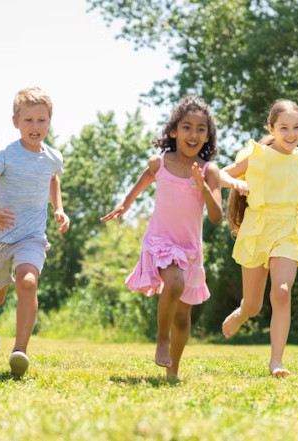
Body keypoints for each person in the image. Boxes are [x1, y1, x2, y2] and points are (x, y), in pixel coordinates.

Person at [102, 95, 222, 379]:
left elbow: (216, 216)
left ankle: (172, 372)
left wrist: (203, 186)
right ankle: (161, 339)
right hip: (161, 241)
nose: (193, 134)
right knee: (175, 281)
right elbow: (143, 180)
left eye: (201, 129)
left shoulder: (209, 171)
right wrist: (125, 204)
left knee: (183, 316)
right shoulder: (160, 164)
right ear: (173, 131)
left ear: (208, 136)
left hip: (190, 248)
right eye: (186, 127)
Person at [219, 99, 298, 377]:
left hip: (287, 228)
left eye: (296, 127)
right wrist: (235, 182)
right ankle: (243, 312)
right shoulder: (258, 155)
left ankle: (276, 361)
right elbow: (219, 174)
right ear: (271, 128)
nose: (291, 133)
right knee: (254, 304)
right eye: (284, 127)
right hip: (257, 228)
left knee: (281, 292)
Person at [0, 87, 70, 378]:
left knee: (27, 282)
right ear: (15, 121)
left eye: (41, 120)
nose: (35, 126)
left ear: (49, 122)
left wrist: (59, 208)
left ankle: (20, 351)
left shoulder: (53, 157)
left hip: (31, 236)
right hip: (0, 239)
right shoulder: (4, 155)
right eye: (28, 120)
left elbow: (53, 179)